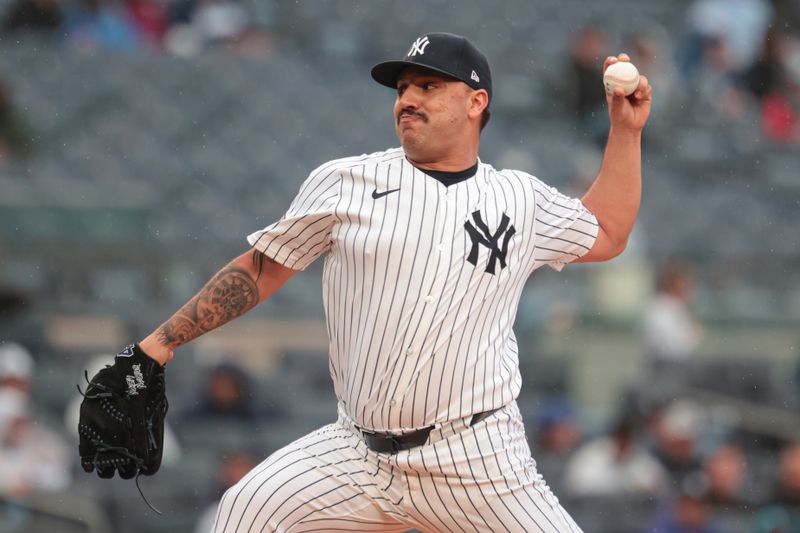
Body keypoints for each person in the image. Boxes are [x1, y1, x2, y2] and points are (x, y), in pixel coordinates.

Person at [101, 32, 651, 531]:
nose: (407, 99)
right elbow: (260, 270)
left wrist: (625, 131)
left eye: (429, 86)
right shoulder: (346, 182)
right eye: (403, 88)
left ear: (476, 102)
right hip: (356, 454)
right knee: (243, 514)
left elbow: (606, 232)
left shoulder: (520, 199)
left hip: (479, 460)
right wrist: (157, 346)